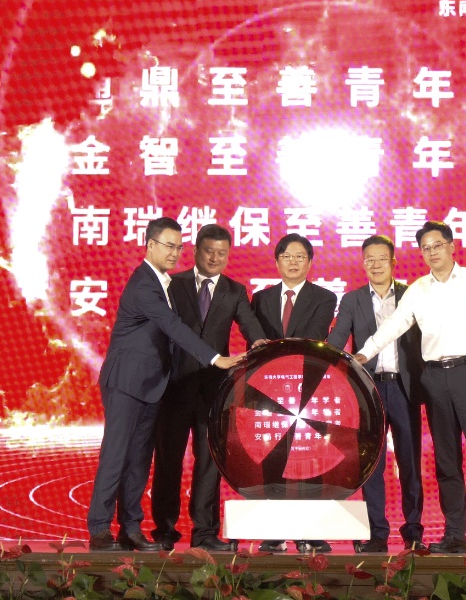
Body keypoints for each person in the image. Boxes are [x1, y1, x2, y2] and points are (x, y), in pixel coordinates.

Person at [353, 221, 466, 556]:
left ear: (451, 246)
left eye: (437, 245)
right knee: (446, 461)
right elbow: (394, 325)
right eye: (425, 248)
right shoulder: (418, 290)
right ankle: (455, 535)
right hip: (435, 378)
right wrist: (364, 354)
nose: (432, 252)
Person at [86, 217, 242, 552]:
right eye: (168, 246)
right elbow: (172, 326)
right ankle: (99, 529)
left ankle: (130, 528)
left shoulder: (164, 283)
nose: (174, 253)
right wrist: (215, 358)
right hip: (126, 382)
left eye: (178, 247)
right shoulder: (144, 284)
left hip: (152, 386)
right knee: (116, 456)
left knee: (140, 461)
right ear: (150, 245)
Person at [151, 223, 268, 552]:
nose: (215, 258)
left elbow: (249, 324)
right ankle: (164, 530)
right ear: (195, 251)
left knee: (209, 463)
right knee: (169, 461)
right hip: (174, 387)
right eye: (209, 251)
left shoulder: (234, 291)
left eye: (222, 253)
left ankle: (204, 531)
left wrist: (259, 341)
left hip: (213, 392)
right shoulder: (173, 284)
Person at [327, 235, 424, 553]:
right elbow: (338, 339)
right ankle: (377, 533)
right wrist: (320, 359)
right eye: (370, 259)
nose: (376, 264)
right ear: (363, 263)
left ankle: (413, 531)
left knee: (410, 461)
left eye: (382, 258)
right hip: (368, 391)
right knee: (372, 464)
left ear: (393, 262)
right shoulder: (352, 300)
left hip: (404, 387)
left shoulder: (413, 294)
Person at [251, 233, 337, 554]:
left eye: (300, 256)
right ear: (277, 261)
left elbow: (313, 337)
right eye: (287, 256)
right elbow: (255, 342)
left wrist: (276, 353)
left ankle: (310, 532)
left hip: (309, 388)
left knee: (310, 459)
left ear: (310, 262)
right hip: (269, 389)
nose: (293, 262)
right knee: (272, 459)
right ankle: (275, 532)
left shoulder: (324, 297)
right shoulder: (260, 298)